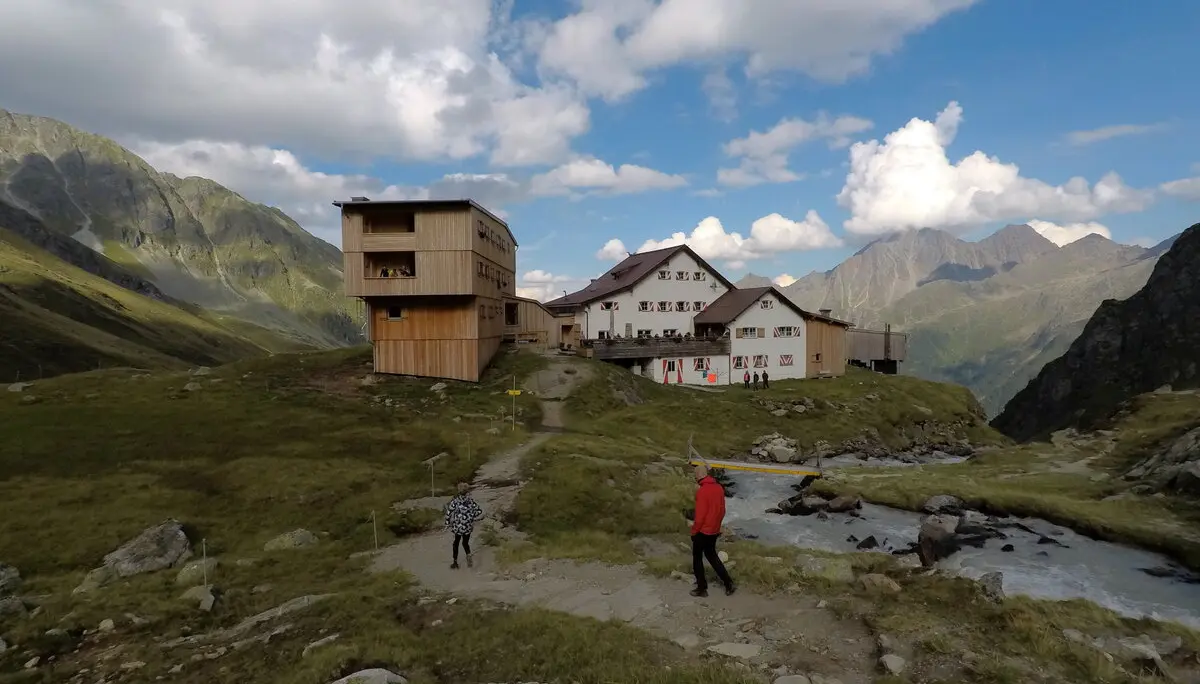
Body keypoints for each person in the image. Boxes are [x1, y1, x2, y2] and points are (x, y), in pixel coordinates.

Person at [689, 464, 735, 597]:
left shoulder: (702, 491)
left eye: (695, 475)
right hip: (714, 529)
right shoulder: (719, 487)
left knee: (697, 558)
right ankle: (729, 583)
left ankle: (701, 588)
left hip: (703, 531)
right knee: (712, 556)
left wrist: (694, 531)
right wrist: (718, 525)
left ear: (698, 476)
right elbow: (722, 510)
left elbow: (700, 517)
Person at [444, 482, 485, 569]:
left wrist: (447, 524)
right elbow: (479, 511)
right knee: (465, 543)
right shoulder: (470, 501)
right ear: (467, 491)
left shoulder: (455, 501)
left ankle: (455, 563)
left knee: (456, 543)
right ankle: (468, 555)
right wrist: (471, 516)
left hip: (458, 526)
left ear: (459, 491)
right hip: (468, 526)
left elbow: (448, 513)